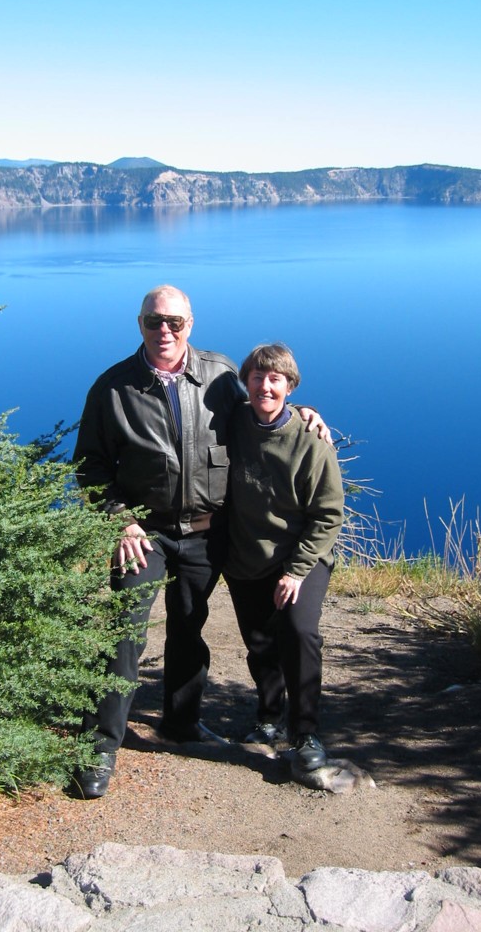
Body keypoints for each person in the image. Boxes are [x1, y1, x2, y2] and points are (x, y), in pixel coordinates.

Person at [69, 287, 328, 799]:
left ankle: (181, 722)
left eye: (174, 322)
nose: (164, 331)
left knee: (189, 626)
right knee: (125, 632)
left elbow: (262, 409)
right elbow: (91, 465)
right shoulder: (114, 388)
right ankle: (100, 746)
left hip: (207, 532)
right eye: (152, 321)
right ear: (139, 324)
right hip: (143, 534)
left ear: (191, 324)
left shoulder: (220, 375)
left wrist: (306, 412)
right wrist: (119, 517)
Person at [223, 343, 344, 784]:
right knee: (259, 642)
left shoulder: (311, 441)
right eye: (257, 377)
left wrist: (296, 571)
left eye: (275, 379)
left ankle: (306, 732)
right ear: (246, 382)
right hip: (245, 555)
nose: (265, 386)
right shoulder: (234, 421)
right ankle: (269, 715)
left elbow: (329, 513)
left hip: (301, 557)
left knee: (298, 631)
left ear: (290, 386)